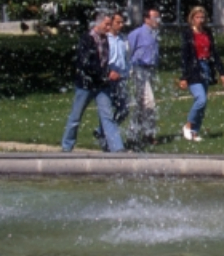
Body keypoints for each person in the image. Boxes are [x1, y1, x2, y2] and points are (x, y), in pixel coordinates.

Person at [61, 11, 125, 153]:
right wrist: (107, 73)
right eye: (106, 24)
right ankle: (67, 146)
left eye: (109, 25)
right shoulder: (87, 39)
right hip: (85, 85)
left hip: (101, 85)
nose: (108, 28)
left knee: (107, 116)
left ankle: (117, 148)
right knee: (76, 116)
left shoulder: (104, 39)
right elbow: (86, 64)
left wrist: (107, 74)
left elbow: (104, 61)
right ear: (98, 23)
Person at [178, 6, 224, 142]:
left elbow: (214, 53)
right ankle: (188, 125)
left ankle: (195, 132)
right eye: (197, 17)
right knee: (201, 99)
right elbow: (185, 56)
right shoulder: (188, 34)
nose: (200, 20)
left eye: (202, 17)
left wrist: (222, 73)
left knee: (203, 103)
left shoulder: (207, 33)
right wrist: (183, 77)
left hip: (206, 68)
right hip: (194, 69)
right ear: (192, 19)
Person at [94, 12, 131, 151]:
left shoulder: (123, 39)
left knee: (124, 109)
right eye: (118, 22)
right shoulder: (105, 39)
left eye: (122, 22)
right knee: (107, 111)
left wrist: (127, 72)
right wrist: (108, 73)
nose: (121, 25)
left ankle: (102, 130)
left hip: (121, 78)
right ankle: (111, 142)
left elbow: (126, 58)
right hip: (108, 78)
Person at [126, 8, 161, 148]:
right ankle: (148, 133)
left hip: (150, 70)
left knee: (142, 104)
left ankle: (135, 134)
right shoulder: (137, 33)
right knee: (149, 102)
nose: (158, 21)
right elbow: (129, 52)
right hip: (139, 69)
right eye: (155, 18)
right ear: (146, 19)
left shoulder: (155, 34)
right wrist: (130, 70)